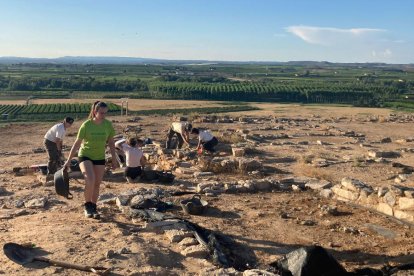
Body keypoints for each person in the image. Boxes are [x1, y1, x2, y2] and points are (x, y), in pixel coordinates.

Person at [63, 101, 118, 219]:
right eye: (101, 113)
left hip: (99, 156)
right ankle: (87, 206)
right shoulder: (86, 125)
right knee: (90, 179)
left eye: (105, 113)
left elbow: (111, 143)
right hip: (85, 155)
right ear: (95, 112)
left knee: (97, 183)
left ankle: (93, 207)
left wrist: (114, 159)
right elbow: (77, 143)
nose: (104, 115)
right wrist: (68, 160)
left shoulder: (107, 125)